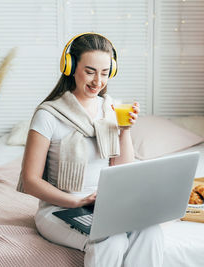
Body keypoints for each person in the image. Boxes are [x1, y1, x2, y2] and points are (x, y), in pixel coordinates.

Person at [18, 32, 164, 267]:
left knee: (151, 232)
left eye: (105, 73)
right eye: (90, 71)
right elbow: (30, 180)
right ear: (70, 67)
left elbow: (122, 171)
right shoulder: (48, 115)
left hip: (105, 206)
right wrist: (76, 202)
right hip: (60, 209)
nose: (98, 81)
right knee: (111, 240)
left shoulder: (110, 108)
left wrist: (124, 130)